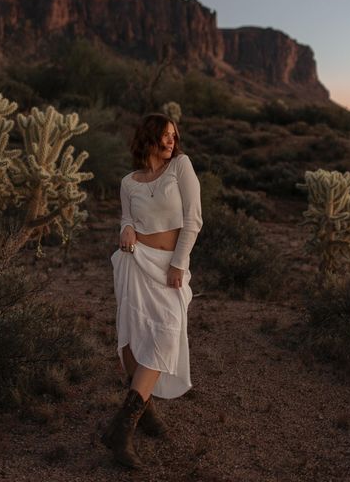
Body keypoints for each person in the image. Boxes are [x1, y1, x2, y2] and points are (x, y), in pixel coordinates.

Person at [101, 113, 202, 469]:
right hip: (135, 261)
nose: (171, 141)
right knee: (133, 333)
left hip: (168, 267)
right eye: (164, 135)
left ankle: (121, 426)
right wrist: (126, 228)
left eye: (174, 135)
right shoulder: (129, 181)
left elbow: (193, 219)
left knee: (166, 333)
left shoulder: (181, 168)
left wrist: (179, 263)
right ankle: (142, 413)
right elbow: (127, 217)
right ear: (149, 138)